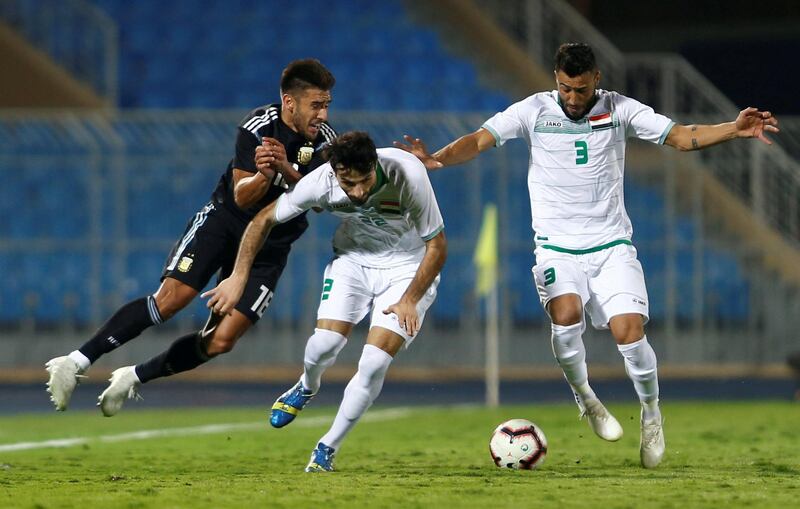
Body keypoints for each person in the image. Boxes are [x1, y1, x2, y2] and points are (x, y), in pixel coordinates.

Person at [394, 42, 779, 469]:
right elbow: (481, 140)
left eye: (579, 90)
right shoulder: (534, 110)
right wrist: (439, 160)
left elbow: (681, 136)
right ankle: (586, 398)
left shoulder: (621, 109)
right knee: (566, 314)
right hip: (557, 245)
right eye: (565, 89)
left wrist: (733, 128)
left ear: (596, 78)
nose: (572, 99)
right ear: (556, 82)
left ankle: (651, 415)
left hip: (612, 245)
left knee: (628, 332)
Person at [45, 59, 337, 416]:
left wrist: (285, 169)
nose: (323, 114)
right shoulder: (258, 126)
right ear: (290, 102)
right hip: (225, 223)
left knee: (222, 340)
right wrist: (264, 174)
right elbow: (242, 196)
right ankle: (75, 362)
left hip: (271, 244)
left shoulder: (326, 142)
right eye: (316, 105)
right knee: (171, 300)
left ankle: (133, 376)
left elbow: (322, 202)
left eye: (326, 105)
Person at [204, 131, 447, 472]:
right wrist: (239, 276)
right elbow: (263, 219)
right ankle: (307, 385)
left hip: (407, 269)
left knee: (374, 363)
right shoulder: (321, 182)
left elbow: (437, 246)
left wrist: (410, 300)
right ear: (334, 172)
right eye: (349, 183)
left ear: (375, 165)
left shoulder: (407, 174)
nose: (359, 192)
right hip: (353, 260)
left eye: (364, 181)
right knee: (324, 345)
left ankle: (326, 447)